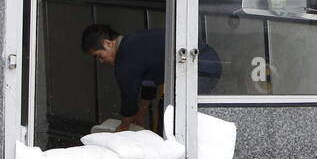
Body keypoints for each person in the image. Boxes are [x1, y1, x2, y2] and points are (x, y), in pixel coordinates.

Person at [81, 24, 222, 130]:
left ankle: (170, 153)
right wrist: (141, 112)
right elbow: (149, 82)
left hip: (200, 66)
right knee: (168, 106)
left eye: (99, 55)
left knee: (170, 111)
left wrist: (124, 126)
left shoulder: (125, 55)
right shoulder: (134, 43)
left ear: (108, 43)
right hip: (208, 64)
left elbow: (129, 93)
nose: (101, 61)